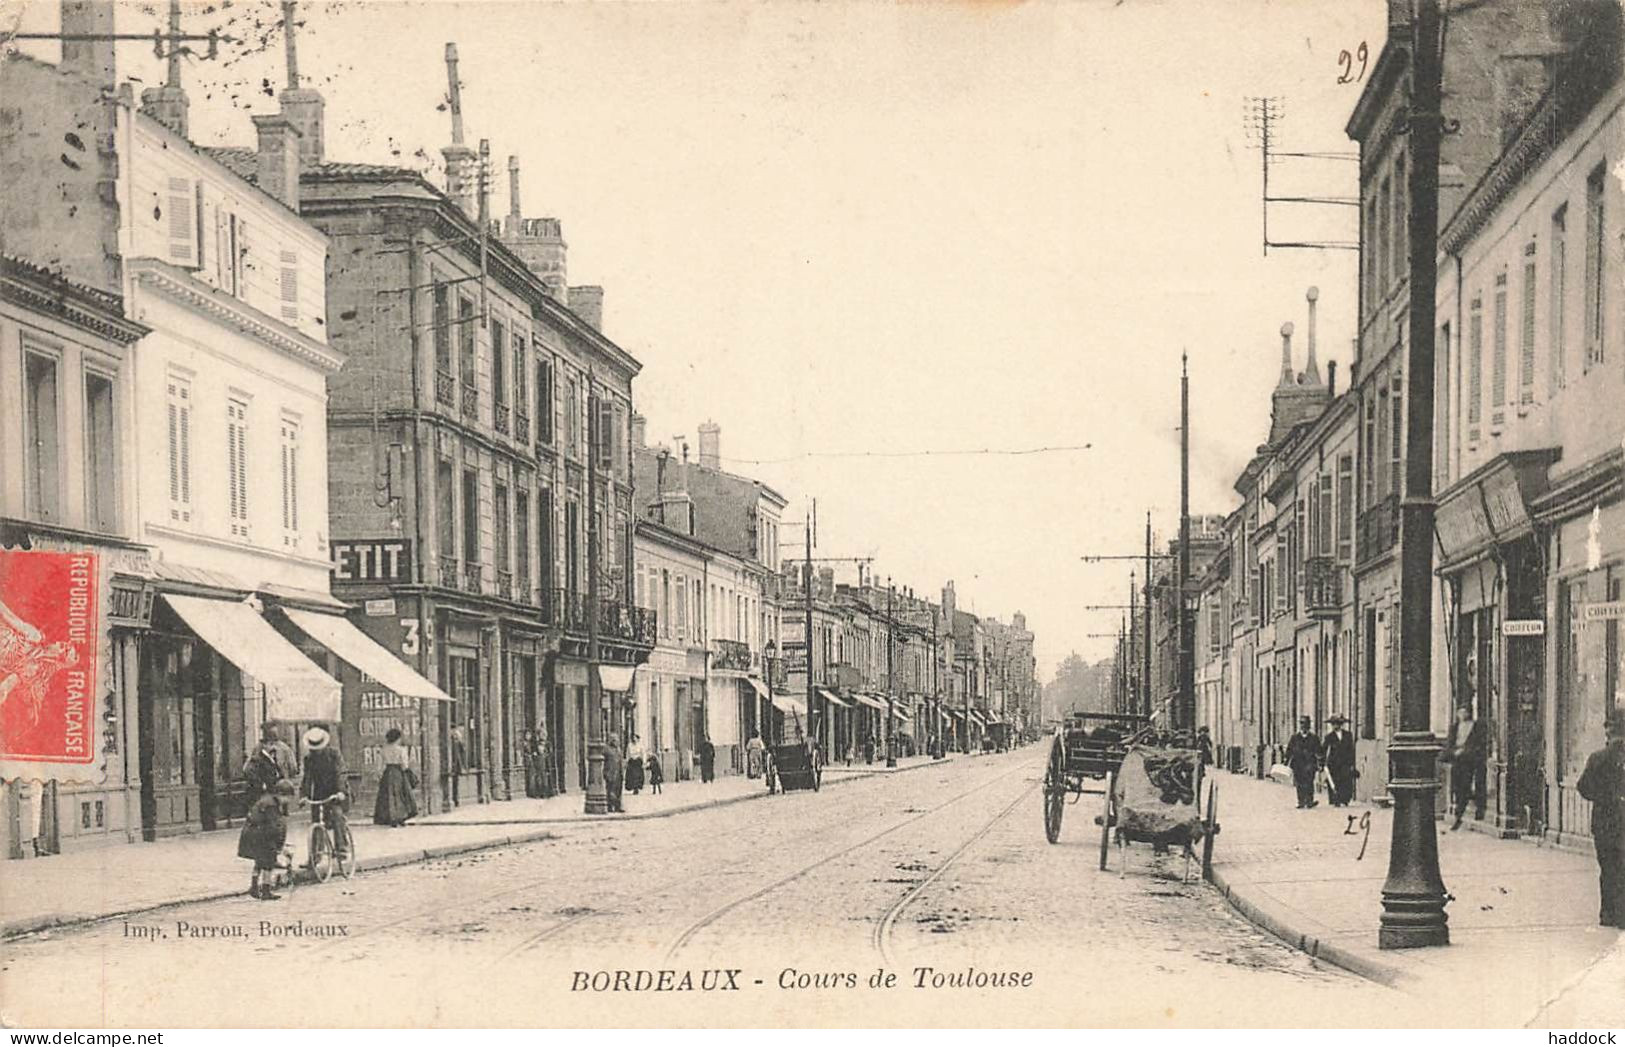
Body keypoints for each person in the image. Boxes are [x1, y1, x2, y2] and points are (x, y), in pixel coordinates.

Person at [1575, 710, 1625, 928]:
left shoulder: (1598, 758)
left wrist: (1603, 798)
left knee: (1607, 867)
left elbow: (1582, 787)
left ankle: (1608, 913)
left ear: (1609, 731)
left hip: (1604, 822)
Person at [238, 778, 294, 900]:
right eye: (288, 797)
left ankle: (254, 887)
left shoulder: (267, 800)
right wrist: (279, 846)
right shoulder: (272, 805)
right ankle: (266, 890)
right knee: (268, 863)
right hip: (262, 836)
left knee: (259, 862)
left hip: (253, 834)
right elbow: (274, 827)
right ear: (281, 794)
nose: (288, 801)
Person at [301, 726, 350, 856]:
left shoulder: (334, 755)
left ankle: (341, 848)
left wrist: (341, 792)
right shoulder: (309, 759)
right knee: (316, 821)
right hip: (319, 793)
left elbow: (341, 773)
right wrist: (304, 796)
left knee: (337, 814)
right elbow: (307, 778)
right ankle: (315, 855)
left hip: (336, 792)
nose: (315, 751)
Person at [1442, 703, 1488, 830]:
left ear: (1469, 713)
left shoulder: (1476, 726)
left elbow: (1479, 744)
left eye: (1464, 712)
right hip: (1457, 761)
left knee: (1470, 786)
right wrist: (1453, 752)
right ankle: (1459, 814)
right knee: (1458, 787)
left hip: (1471, 760)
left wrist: (1466, 751)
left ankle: (1472, 813)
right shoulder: (1455, 727)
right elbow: (1449, 744)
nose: (1462, 715)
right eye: (1460, 712)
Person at [373, 727, 419, 827]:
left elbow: (379, 765)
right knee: (401, 795)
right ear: (398, 738)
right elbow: (404, 765)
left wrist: (379, 775)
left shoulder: (383, 750)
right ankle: (401, 817)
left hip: (388, 773)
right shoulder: (401, 750)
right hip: (398, 773)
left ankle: (390, 817)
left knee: (388, 796)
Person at [242, 726, 289, 804]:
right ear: (266, 745)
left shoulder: (271, 756)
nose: (273, 747)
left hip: (273, 790)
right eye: (271, 744)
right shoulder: (259, 758)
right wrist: (261, 785)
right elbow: (249, 770)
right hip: (266, 791)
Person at [1284, 716, 1321, 809]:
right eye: (1302, 723)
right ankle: (1301, 801)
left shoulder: (1314, 737)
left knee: (1309, 782)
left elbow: (1319, 750)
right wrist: (1286, 761)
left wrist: (1320, 762)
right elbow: (1289, 750)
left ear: (1309, 725)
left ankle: (1309, 801)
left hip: (1310, 764)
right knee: (1299, 783)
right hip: (1298, 764)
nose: (1303, 726)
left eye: (1305, 724)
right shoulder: (1295, 737)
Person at [1321, 714, 1357, 807]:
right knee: (1335, 781)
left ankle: (1345, 799)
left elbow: (1351, 749)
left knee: (1346, 780)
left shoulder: (1348, 735)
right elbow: (1324, 749)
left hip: (1345, 762)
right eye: (1333, 724)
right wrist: (1322, 762)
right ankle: (1336, 800)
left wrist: (1352, 762)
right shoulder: (1329, 736)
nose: (1335, 726)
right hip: (1334, 762)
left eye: (1337, 724)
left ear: (1341, 724)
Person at [603, 731, 624, 813]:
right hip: (610, 772)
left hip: (618, 772)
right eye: (615, 740)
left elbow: (620, 761)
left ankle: (618, 806)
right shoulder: (607, 749)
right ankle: (610, 806)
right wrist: (605, 772)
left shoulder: (618, 750)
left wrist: (622, 772)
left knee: (618, 790)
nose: (617, 742)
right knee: (610, 790)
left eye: (617, 740)